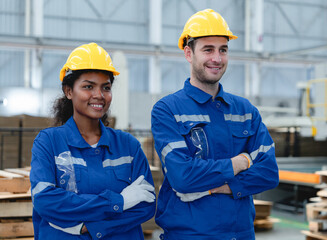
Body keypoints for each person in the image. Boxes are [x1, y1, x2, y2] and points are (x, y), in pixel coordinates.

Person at [151, 9, 279, 240]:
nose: (217, 59)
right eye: (208, 49)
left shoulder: (245, 111)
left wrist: (220, 187)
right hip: (190, 235)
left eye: (223, 50)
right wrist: (241, 162)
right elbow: (183, 176)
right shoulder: (168, 110)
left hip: (241, 234)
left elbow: (268, 173)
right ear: (188, 53)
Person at [30, 42, 156, 240]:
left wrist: (87, 227)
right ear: (69, 91)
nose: (99, 95)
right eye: (88, 86)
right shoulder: (49, 142)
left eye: (106, 87)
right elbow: (46, 201)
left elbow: (145, 205)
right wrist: (119, 201)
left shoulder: (128, 146)